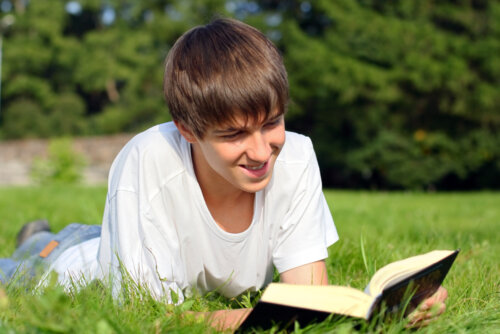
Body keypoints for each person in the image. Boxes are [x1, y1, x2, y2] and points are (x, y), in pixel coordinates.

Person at [0, 18, 447, 330]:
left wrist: (388, 312)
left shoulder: (295, 155)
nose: (261, 151)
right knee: (30, 268)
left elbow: (309, 295)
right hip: (77, 262)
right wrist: (257, 320)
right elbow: (151, 320)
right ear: (188, 130)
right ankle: (39, 239)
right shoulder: (146, 161)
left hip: (134, 237)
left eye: (271, 122)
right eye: (234, 134)